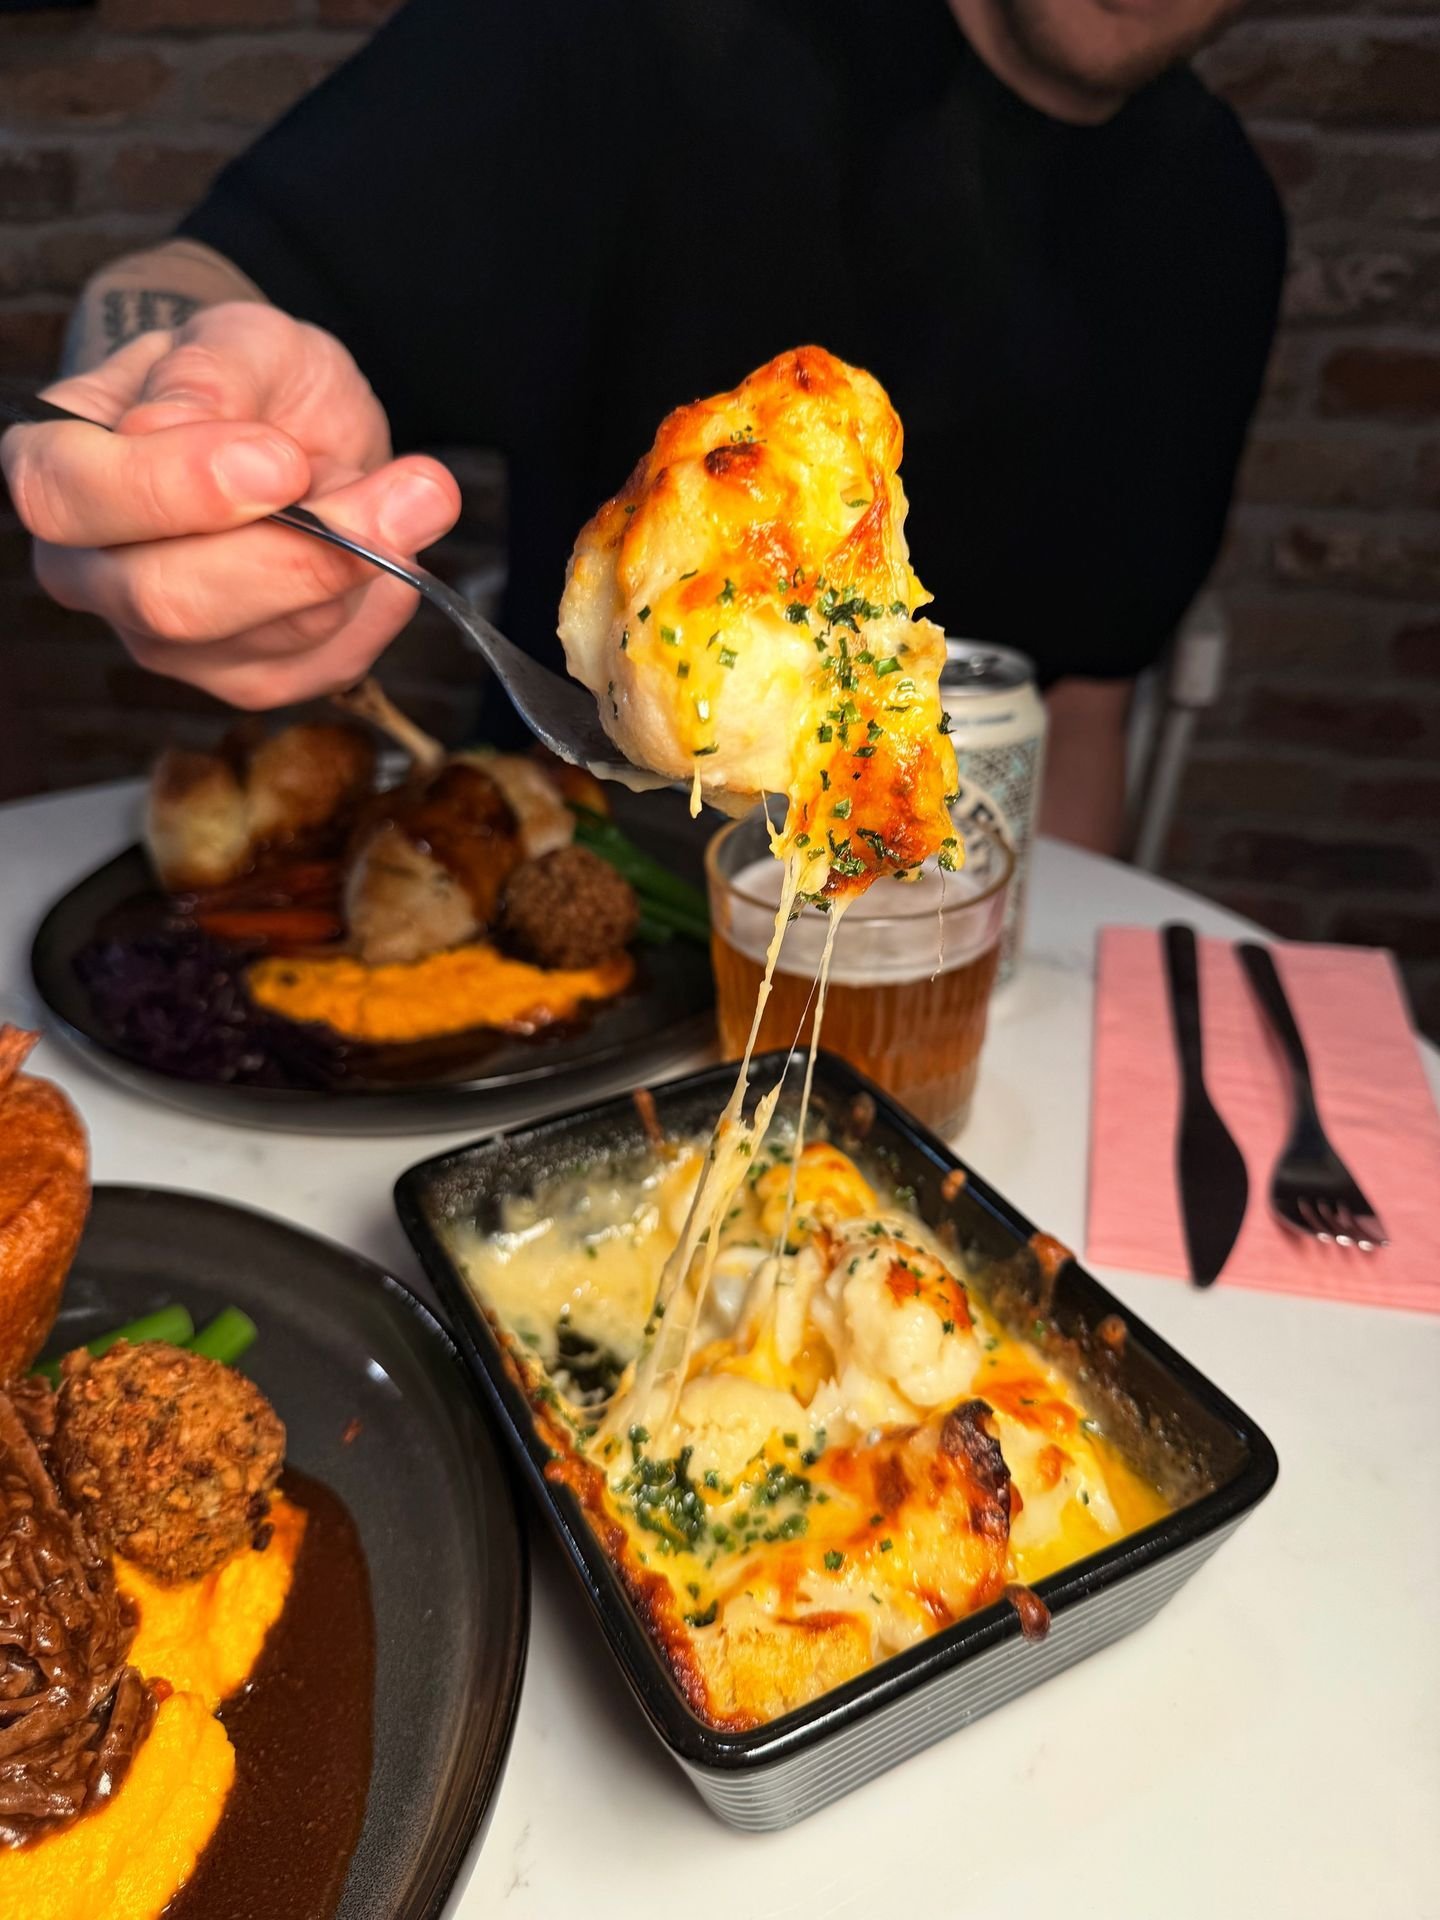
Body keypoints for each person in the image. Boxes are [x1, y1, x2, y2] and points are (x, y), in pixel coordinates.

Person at [1, 0, 1283, 855]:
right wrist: (170, 413)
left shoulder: (1218, 224)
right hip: (566, 841)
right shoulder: (639, 30)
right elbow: (205, 279)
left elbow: (1093, 708)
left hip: (901, 910)